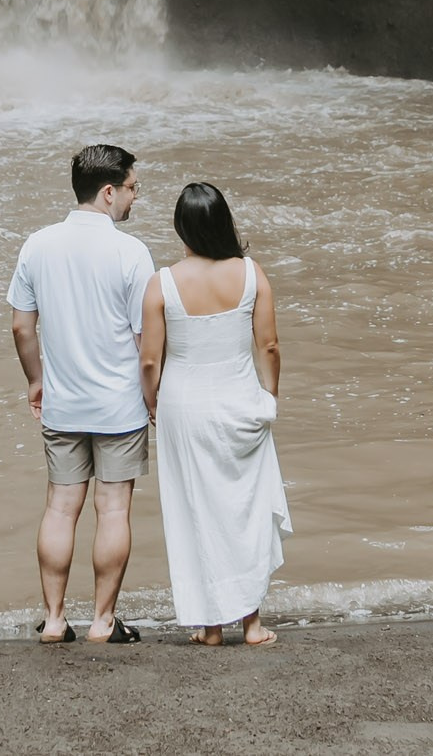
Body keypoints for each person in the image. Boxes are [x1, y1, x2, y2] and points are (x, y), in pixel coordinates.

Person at [7, 142, 156, 644]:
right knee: (112, 511)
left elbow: (22, 327)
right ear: (109, 192)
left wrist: (36, 380)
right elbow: (143, 339)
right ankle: (102, 621)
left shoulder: (37, 245)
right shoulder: (131, 252)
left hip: (63, 403)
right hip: (120, 406)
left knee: (59, 509)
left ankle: (53, 620)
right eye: (133, 188)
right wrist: (152, 396)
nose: (135, 197)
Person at [140, 180, 291, 646]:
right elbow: (269, 345)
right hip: (240, 399)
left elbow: (149, 360)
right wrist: (269, 397)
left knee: (196, 512)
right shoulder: (250, 273)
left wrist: (152, 401)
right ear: (223, 221)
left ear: (181, 228)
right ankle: (252, 624)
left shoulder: (162, 283)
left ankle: (210, 628)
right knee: (243, 509)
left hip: (184, 406)